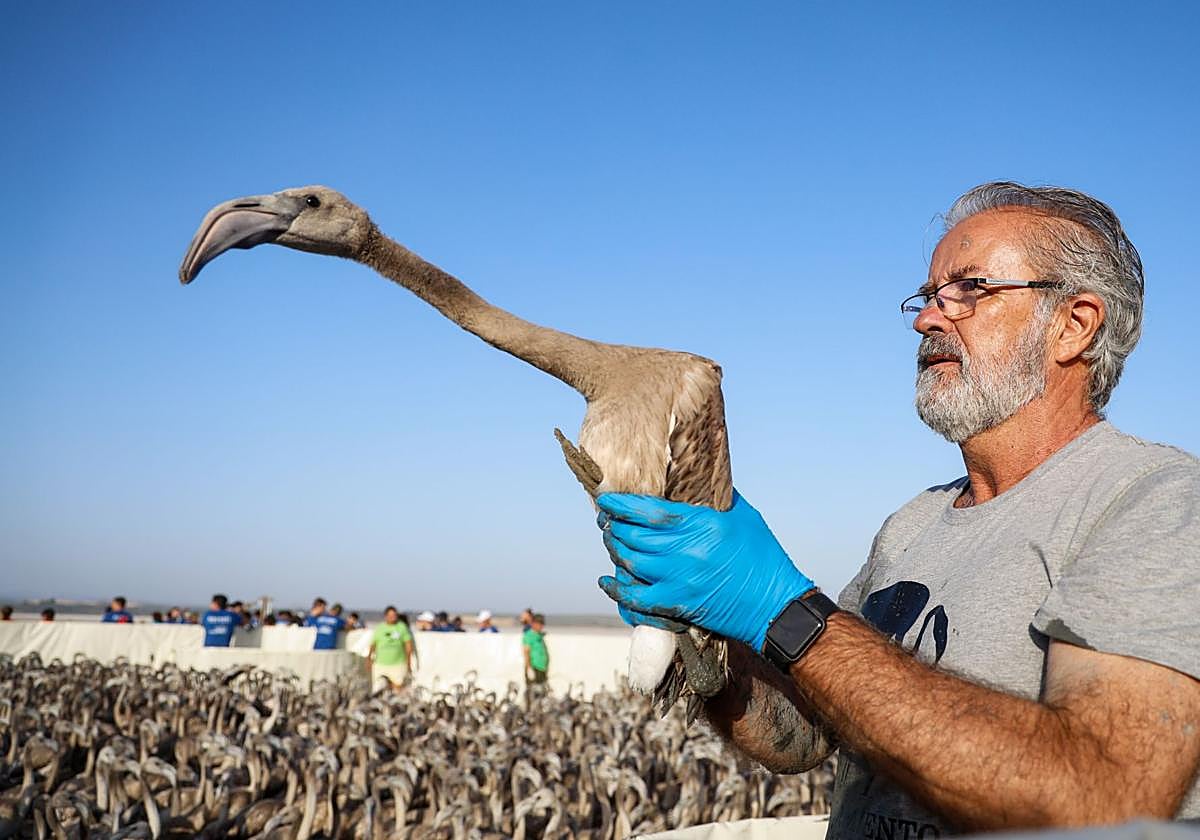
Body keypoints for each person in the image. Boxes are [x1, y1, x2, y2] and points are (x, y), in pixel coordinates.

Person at [595, 182, 1200, 833]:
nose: (927, 319)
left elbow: (1099, 801)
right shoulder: (913, 525)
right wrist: (709, 640)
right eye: (929, 296)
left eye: (972, 289)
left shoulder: (1157, 502)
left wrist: (782, 609)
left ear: (1073, 325)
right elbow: (800, 738)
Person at [368, 606, 415, 692]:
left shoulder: (402, 627)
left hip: (398, 665)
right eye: (390, 615)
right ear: (385, 616)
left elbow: (408, 645)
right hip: (380, 664)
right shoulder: (380, 627)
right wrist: (369, 659)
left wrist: (408, 663)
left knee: (398, 690)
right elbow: (373, 644)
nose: (392, 617)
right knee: (378, 689)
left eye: (394, 615)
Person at [522, 613, 549, 703]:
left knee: (542, 693)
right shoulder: (529, 635)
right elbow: (526, 652)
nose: (541, 626)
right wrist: (529, 668)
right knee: (533, 693)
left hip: (541, 668)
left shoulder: (539, 635)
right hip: (534, 668)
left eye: (542, 624)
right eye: (539, 623)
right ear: (533, 623)